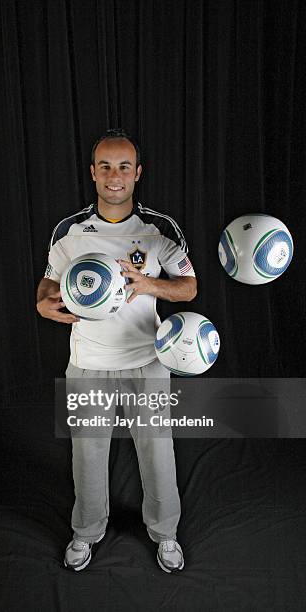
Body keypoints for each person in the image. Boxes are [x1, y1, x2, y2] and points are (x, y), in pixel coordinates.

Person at [36, 128, 197, 573]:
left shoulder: (158, 229)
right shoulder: (70, 231)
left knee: (157, 451)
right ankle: (86, 533)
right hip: (87, 363)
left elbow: (188, 287)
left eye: (124, 166)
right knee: (87, 455)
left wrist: (148, 284)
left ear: (137, 173)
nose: (114, 176)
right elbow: (46, 288)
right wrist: (44, 305)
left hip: (146, 361)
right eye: (105, 166)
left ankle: (166, 535)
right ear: (92, 172)